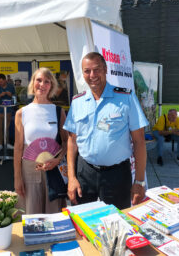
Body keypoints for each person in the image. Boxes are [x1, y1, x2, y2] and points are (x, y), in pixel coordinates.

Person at [63, 52, 148, 210]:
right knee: (83, 222)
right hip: (84, 172)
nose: (92, 75)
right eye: (87, 71)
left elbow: (139, 141)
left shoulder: (126, 98)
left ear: (105, 69)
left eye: (97, 69)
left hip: (116, 174)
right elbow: (72, 141)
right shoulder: (77, 101)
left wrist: (139, 181)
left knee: (117, 225)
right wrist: (72, 177)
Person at [14, 67, 68, 214]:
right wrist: (17, 178)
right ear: (33, 82)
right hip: (29, 172)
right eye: (39, 80)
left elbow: (65, 141)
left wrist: (58, 159)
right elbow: (18, 148)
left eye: (47, 81)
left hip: (53, 170)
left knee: (54, 215)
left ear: (51, 86)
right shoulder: (22, 113)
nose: (42, 85)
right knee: (32, 214)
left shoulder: (58, 111)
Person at [0, 73, 15, 152]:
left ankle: (7, 143)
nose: (0, 83)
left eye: (1, 82)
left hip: (8, 110)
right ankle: (0, 144)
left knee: (7, 128)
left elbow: (15, 98)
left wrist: (10, 95)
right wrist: (0, 96)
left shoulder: (11, 86)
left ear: (5, 80)